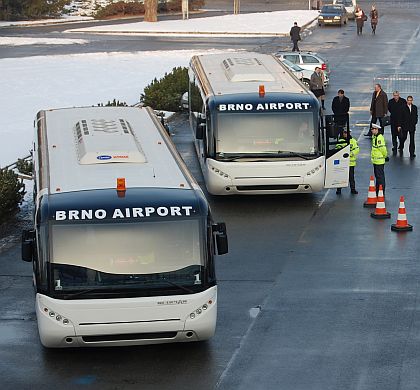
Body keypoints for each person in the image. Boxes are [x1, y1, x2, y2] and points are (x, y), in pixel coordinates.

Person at [335, 128, 359, 195]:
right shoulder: (340, 141)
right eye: (344, 133)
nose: (346, 134)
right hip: (342, 162)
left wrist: (350, 154)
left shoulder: (353, 141)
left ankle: (353, 189)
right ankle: (339, 190)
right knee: (341, 176)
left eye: (347, 132)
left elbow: (357, 149)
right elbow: (337, 149)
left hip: (351, 162)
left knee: (351, 177)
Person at [371, 123, 388, 194]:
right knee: (378, 177)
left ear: (377, 129)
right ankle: (378, 190)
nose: (372, 130)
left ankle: (381, 191)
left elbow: (382, 149)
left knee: (380, 177)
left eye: (373, 129)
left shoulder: (379, 138)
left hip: (379, 161)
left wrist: (385, 156)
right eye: (372, 129)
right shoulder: (374, 137)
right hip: (375, 160)